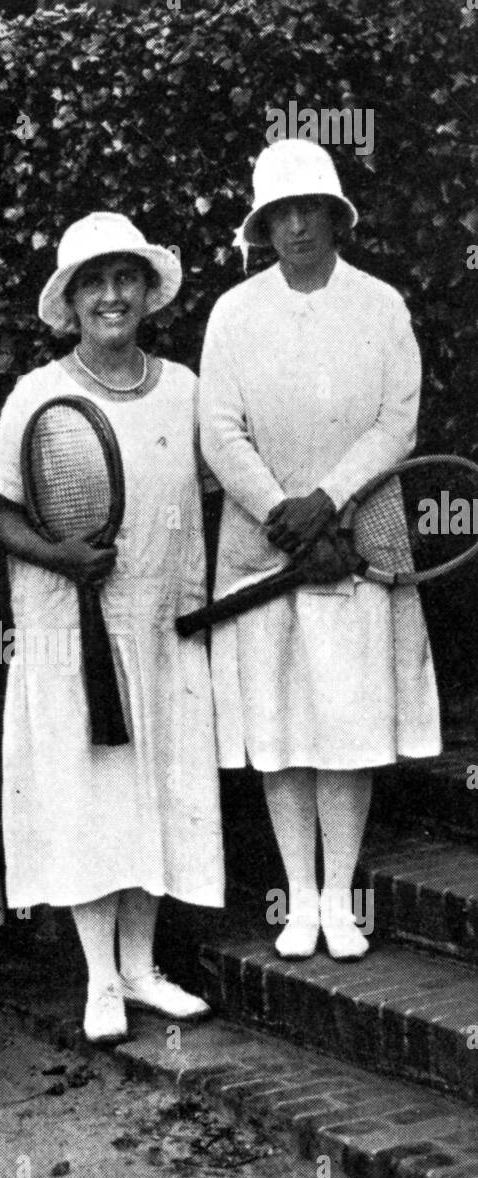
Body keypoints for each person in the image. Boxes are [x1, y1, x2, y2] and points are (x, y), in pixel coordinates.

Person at [0, 212, 224, 1044]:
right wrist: (56, 555)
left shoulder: (189, 388)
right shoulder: (39, 393)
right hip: (67, 634)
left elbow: (227, 486)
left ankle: (145, 970)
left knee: (158, 792)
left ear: (147, 292)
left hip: (162, 629)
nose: (111, 295)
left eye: (125, 279)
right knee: (88, 801)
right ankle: (100, 980)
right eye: (94, 283)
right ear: (71, 302)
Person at [199, 138, 440, 961]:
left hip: (358, 539)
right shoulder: (234, 313)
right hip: (265, 550)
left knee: (346, 724)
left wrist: (330, 503)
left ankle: (340, 900)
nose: (296, 226)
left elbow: (396, 423)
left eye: (311, 211)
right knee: (279, 726)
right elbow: (220, 430)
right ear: (262, 227)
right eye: (280, 214)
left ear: (338, 218)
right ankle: (296, 900)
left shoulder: (382, 305)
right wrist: (280, 511)